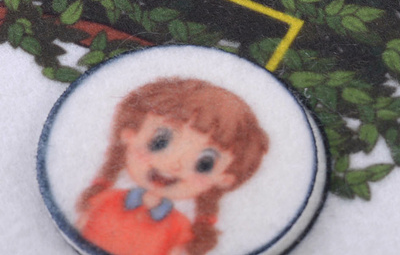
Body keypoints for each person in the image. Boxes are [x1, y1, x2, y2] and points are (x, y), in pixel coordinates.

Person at [76, 78, 270, 255]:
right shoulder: (103, 200)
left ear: (224, 178)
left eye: (204, 163)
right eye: (160, 141)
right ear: (129, 135)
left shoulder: (181, 229)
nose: (174, 165)